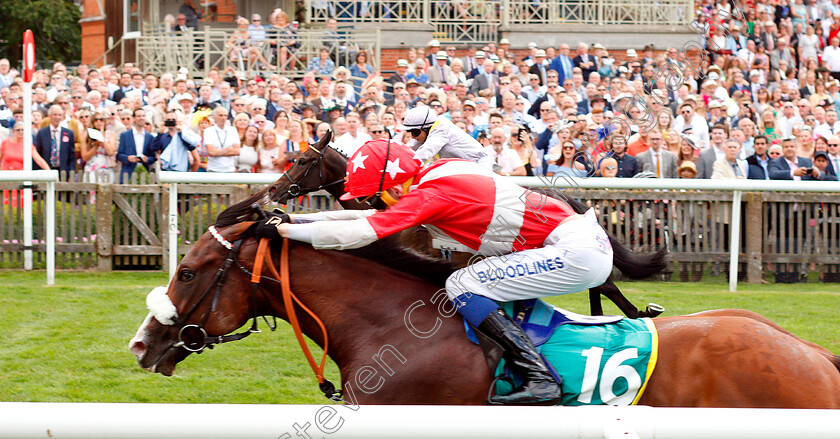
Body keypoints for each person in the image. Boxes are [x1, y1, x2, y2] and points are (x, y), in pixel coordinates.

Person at [256, 139, 615, 406]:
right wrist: (295, 220)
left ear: (395, 185)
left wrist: (286, 232)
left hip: (574, 251)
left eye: (377, 195)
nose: (377, 202)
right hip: (573, 243)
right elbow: (371, 219)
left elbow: (366, 231)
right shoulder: (438, 172)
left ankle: (540, 378)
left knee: (463, 283)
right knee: (472, 281)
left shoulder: (431, 194)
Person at [402, 106, 491, 168]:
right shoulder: (431, 129)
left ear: (426, 128)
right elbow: (411, 147)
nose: (413, 137)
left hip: (478, 165)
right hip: (462, 168)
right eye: (409, 132)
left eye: (415, 132)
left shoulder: (441, 130)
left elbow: (425, 152)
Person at [34, 105, 76, 178]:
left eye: (59, 115)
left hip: (63, 170)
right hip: (46, 170)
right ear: (49, 116)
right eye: (55, 115)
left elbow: (72, 155)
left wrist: (71, 171)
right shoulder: (42, 133)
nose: (57, 117)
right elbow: (38, 152)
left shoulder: (68, 133)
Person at [117, 108, 155, 183]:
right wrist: (128, 158)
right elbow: (119, 155)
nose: (141, 118)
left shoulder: (150, 137)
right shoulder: (125, 135)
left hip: (144, 173)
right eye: (139, 116)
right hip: (128, 172)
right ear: (134, 118)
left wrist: (147, 159)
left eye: (143, 116)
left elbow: (153, 157)